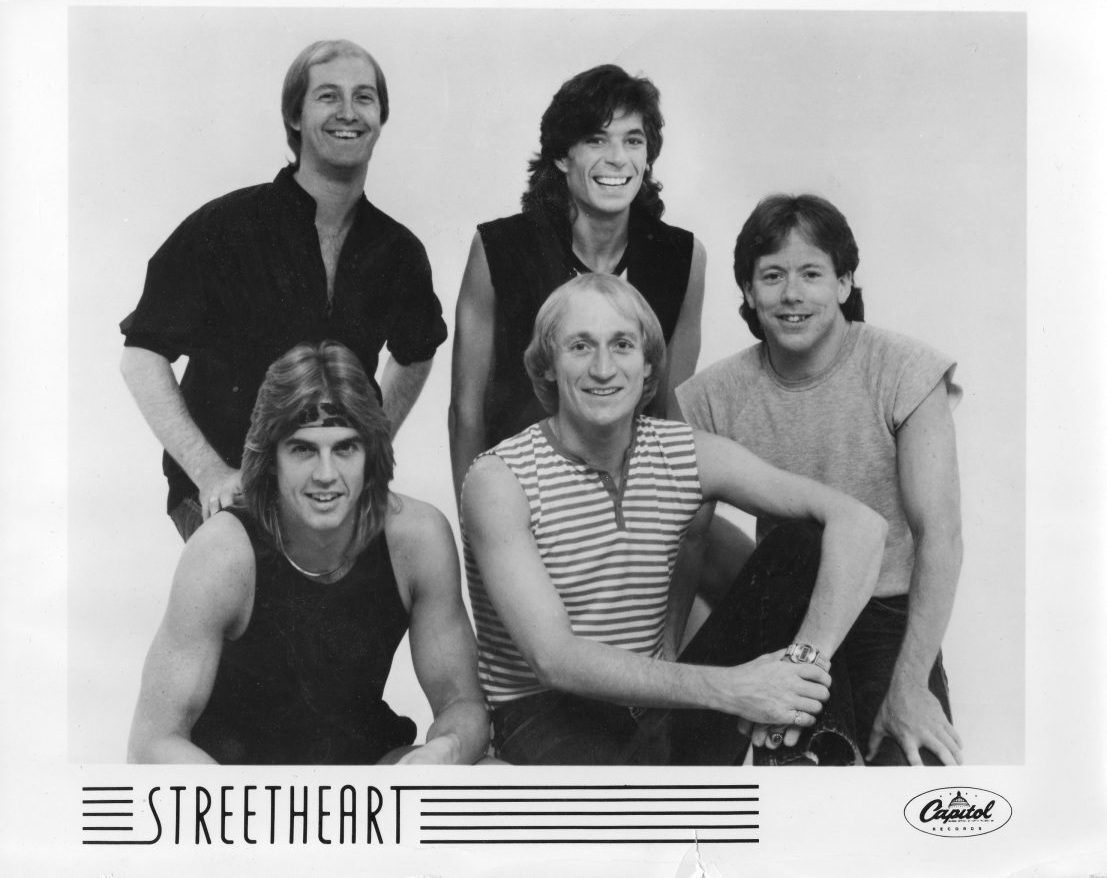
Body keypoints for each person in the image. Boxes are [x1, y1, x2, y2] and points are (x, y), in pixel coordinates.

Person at [461, 272, 888, 765]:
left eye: (622, 345)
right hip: (546, 717)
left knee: (801, 544)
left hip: (655, 709)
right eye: (580, 347)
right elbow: (554, 659)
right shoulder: (501, 478)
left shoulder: (681, 453)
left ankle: (807, 759)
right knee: (636, 806)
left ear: (647, 365)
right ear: (548, 366)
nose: (603, 368)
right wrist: (736, 688)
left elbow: (860, 523)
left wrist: (802, 665)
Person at [676, 193, 964, 766]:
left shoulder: (905, 369)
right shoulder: (709, 397)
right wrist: (666, 659)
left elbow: (941, 536)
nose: (792, 294)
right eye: (772, 276)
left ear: (844, 282)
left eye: (811, 273)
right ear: (748, 292)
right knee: (801, 784)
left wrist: (911, 686)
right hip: (788, 613)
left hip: (890, 614)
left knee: (915, 779)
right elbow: (688, 541)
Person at [120, 39, 447, 541]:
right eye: (328, 96)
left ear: (381, 117)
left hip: (332, 493)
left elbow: (417, 352)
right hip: (232, 497)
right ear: (294, 115)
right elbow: (142, 357)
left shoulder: (398, 250)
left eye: (363, 97)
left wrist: (370, 448)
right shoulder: (224, 228)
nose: (348, 112)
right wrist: (209, 473)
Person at [128, 340, 489, 765]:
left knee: (490, 773)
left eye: (345, 448)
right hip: (239, 778)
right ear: (271, 457)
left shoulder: (416, 537)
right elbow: (152, 743)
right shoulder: (223, 552)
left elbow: (462, 703)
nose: (326, 474)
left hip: (364, 772)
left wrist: (443, 752)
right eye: (303, 449)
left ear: (372, 453)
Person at [449, 64, 706, 501]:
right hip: (519, 495)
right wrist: (475, 523)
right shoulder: (499, 248)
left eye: (633, 141)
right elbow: (466, 411)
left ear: (647, 156)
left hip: (629, 496)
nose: (618, 158)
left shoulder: (683, 257)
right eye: (596, 139)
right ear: (562, 156)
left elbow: (670, 417)